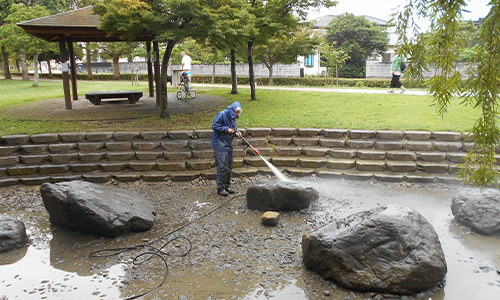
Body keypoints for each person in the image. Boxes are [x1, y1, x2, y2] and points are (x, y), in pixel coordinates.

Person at [211, 101, 242, 196]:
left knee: (229, 166)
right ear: (233, 110)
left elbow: (234, 128)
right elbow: (215, 126)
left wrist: (236, 132)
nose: (237, 115)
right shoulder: (222, 114)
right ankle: (220, 188)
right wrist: (226, 129)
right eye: (236, 113)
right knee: (223, 167)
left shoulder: (233, 118)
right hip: (219, 144)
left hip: (228, 144)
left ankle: (226, 186)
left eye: (238, 113)